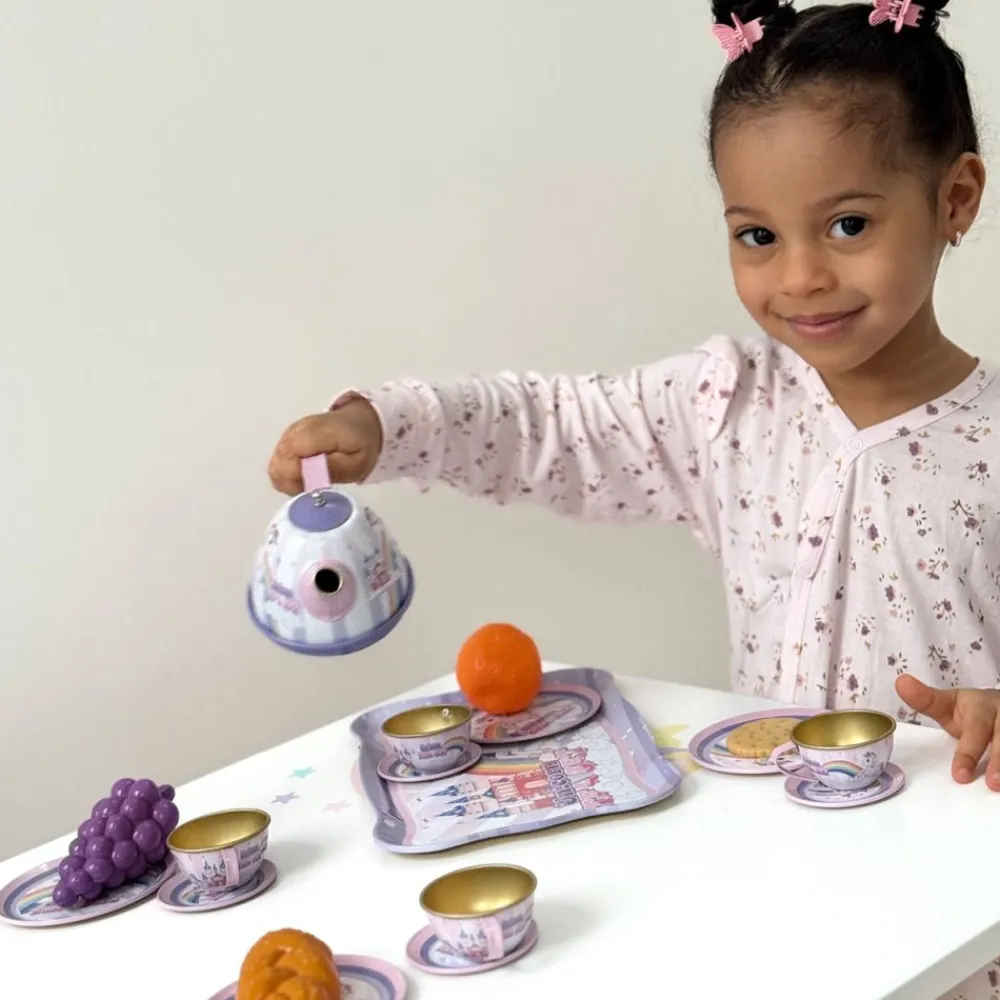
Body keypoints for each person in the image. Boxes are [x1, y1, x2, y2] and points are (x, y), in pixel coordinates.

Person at [268, 4, 1000, 994]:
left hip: (957, 917)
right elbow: (548, 426)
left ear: (955, 198)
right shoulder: (724, 405)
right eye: (756, 234)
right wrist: (387, 425)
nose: (799, 276)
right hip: (779, 897)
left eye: (848, 224)